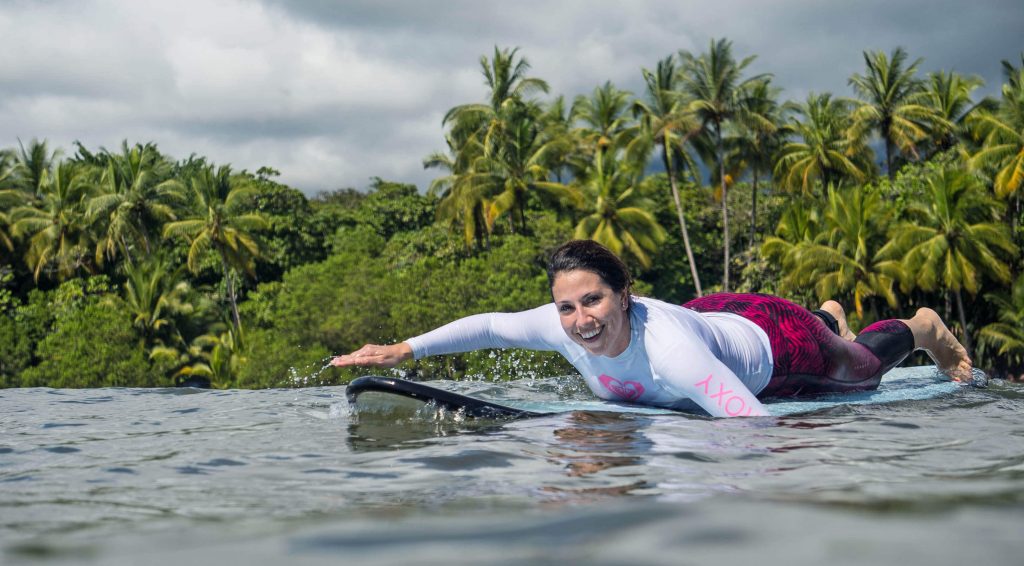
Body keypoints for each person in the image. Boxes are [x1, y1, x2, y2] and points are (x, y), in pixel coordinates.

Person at [331, 240, 973, 418]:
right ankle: (826, 314)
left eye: (594, 301)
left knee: (857, 369)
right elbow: (489, 326)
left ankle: (916, 327)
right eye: (566, 307)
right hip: (716, 309)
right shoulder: (561, 325)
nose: (580, 321)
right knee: (834, 336)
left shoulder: (674, 358)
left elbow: (750, 424)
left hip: (779, 344)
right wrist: (398, 348)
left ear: (625, 296)